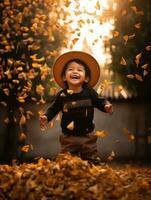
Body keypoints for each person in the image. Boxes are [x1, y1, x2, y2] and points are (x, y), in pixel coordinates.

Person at [39, 51, 113, 164]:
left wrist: (106, 106)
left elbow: (100, 101)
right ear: (64, 77)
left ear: (86, 78)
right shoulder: (62, 95)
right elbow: (53, 109)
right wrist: (46, 117)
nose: (75, 71)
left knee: (92, 161)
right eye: (70, 69)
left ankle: (93, 174)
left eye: (79, 70)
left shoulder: (90, 93)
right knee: (65, 163)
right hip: (68, 137)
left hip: (87, 136)